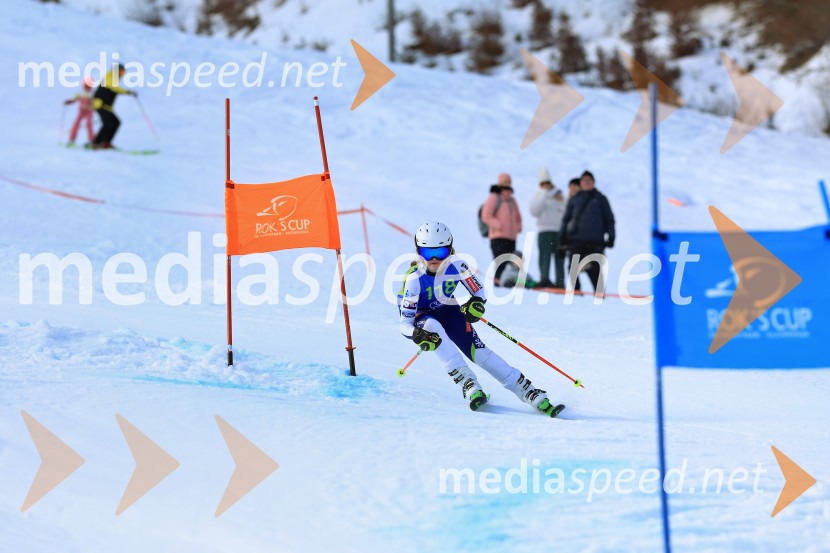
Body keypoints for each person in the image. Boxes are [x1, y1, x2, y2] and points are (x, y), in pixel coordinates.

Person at [398, 221, 564, 417]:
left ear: (450, 250)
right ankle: (468, 383)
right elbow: (404, 324)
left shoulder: (458, 265)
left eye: (440, 252)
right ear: (418, 252)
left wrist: (476, 304)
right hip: (421, 317)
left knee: (480, 353)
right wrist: (416, 334)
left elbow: (479, 292)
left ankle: (527, 390)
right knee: (433, 327)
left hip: (448, 310)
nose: (434, 259)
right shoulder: (414, 278)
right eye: (427, 253)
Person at [559, 170, 616, 292]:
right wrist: (562, 238)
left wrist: (611, 237)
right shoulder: (574, 199)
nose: (586, 183)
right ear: (580, 183)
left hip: (595, 241)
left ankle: (600, 297)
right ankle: (576, 295)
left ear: (593, 183)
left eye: (589, 180)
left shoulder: (601, 199)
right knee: (573, 269)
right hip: (576, 239)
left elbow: (610, 219)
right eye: (584, 181)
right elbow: (566, 220)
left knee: (595, 270)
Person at [480, 173, 522, 287]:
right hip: (497, 236)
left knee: (509, 262)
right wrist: (499, 225)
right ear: (500, 182)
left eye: (508, 182)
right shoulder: (494, 197)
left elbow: (518, 217)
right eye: (504, 182)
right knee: (500, 261)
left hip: (511, 237)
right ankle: (498, 284)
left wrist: (518, 227)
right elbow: (486, 215)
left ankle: (508, 283)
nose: (507, 184)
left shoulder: (512, 200)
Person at [529, 167, 566, 289]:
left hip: (558, 231)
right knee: (544, 256)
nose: (546, 186)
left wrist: (561, 200)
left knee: (559, 257)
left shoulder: (558, 195)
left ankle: (560, 283)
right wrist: (544, 194)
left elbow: (566, 211)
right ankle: (544, 279)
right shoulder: (538, 195)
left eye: (548, 183)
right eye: (543, 184)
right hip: (544, 231)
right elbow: (534, 211)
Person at [91, 63, 137, 149]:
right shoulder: (110, 75)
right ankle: (98, 143)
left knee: (114, 122)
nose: (122, 74)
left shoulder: (113, 78)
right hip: (100, 104)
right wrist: (128, 92)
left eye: (123, 72)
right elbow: (113, 87)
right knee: (109, 123)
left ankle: (104, 142)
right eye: (121, 71)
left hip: (106, 106)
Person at [64, 77, 95, 145]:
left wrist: (91, 107)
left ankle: (92, 140)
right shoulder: (80, 93)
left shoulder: (93, 94)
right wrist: (68, 102)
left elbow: (95, 104)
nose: (87, 87)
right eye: (86, 86)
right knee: (76, 124)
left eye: (89, 86)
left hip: (89, 112)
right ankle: (71, 140)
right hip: (81, 112)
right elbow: (74, 100)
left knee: (89, 124)